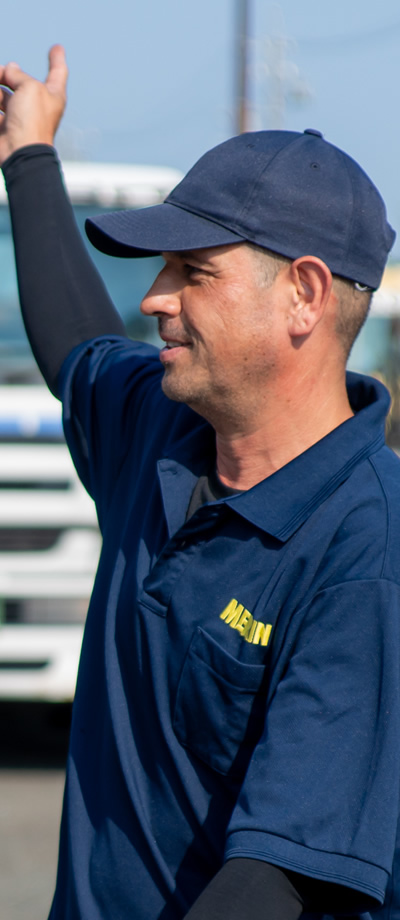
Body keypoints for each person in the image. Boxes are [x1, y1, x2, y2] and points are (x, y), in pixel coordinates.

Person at [1, 45, 400, 920]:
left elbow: (278, 879)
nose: (154, 298)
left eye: (193, 271)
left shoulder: (369, 549)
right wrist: (29, 155)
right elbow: (76, 346)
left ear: (303, 295)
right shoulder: (161, 429)